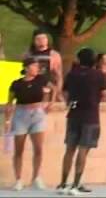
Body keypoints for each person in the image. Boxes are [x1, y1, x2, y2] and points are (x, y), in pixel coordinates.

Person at [59, 48, 106, 196]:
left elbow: (65, 92)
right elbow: (104, 95)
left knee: (70, 149)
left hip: (74, 113)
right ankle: (76, 184)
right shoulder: (99, 75)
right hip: (90, 115)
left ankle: (63, 184)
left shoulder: (72, 74)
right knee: (83, 149)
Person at [6, 57, 53, 191]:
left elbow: (53, 89)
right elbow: (10, 102)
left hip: (37, 114)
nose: (37, 68)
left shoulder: (41, 79)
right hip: (21, 114)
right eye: (34, 66)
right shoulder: (16, 84)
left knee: (38, 148)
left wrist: (50, 102)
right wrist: (8, 120)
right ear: (27, 68)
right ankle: (18, 179)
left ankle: (36, 177)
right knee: (18, 150)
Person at [24, 31, 63, 101]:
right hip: (30, 90)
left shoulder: (54, 55)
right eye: (38, 39)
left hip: (46, 90)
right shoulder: (28, 54)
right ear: (33, 41)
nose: (41, 41)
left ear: (47, 40)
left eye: (44, 38)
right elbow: (25, 73)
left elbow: (58, 76)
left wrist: (58, 91)